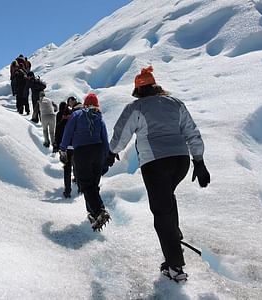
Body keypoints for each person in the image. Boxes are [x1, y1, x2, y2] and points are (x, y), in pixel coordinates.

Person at [107, 66, 210, 282]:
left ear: (138, 90)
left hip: (155, 164)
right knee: (167, 200)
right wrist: (199, 161)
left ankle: (175, 267)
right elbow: (192, 131)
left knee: (161, 211)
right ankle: (174, 236)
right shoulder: (175, 103)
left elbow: (121, 134)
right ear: (156, 87)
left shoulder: (136, 107)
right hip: (180, 162)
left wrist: (112, 152)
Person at [59, 93, 110, 231]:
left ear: (85, 104)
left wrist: (63, 149)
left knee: (86, 184)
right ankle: (93, 214)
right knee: (93, 184)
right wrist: (107, 156)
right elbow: (104, 138)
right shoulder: (99, 117)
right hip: (98, 151)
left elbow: (68, 131)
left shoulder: (77, 115)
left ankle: (99, 211)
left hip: (82, 152)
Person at [54, 99, 74, 198]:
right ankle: (78, 184)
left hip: (64, 149)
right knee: (76, 166)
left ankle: (67, 190)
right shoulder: (74, 124)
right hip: (75, 148)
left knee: (67, 169)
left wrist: (56, 147)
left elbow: (57, 136)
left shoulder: (60, 124)